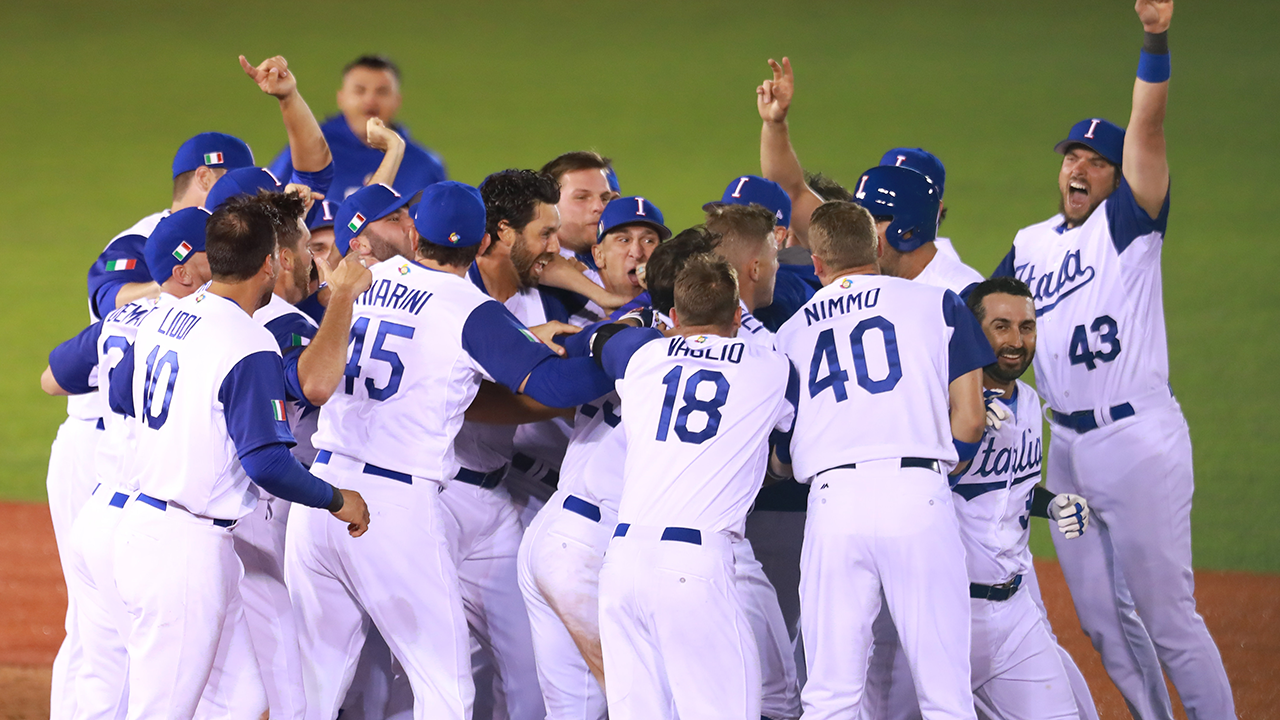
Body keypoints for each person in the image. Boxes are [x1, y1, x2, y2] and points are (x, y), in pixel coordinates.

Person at [284, 180, 615, 720]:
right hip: (391, 510)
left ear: (416, 235)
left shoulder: (372, 277)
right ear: (484, 240)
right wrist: (616, 352)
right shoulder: (473, 309)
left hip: (320, 496)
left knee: (312, 688)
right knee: (445, 694)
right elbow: (550, 387)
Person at [992, 3, 1235, 718]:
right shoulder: (1031, 244)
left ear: (1117, 175)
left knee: (1168, 620)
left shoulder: (1130, 224)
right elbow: (979, 316)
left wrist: (1154, 38)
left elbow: (1150, 127)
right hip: (1064, 460)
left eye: (1098, 160)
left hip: (1139, 449)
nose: (1080, 166)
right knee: (1102, 622)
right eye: (1073, 155)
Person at [106, 193, 371, 718]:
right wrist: (338, 499)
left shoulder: (165, 316)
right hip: (183, 546)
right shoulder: (248, 342)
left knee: (240, 697)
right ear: (270, 263)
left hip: (138, 528)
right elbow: (267, 464)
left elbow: (119, 393)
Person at [773, 201, 991, 720]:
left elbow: (782, 452)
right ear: (875, 247)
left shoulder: (792, 332)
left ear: (819, 265)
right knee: (945, 691)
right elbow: (971, 416)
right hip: (917, 496)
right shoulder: (939, 304)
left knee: (830, 694)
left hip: (834, 506)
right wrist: (946, 466)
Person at [516, 228, 716, 720]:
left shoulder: (620, 326)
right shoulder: (681, 352)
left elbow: (592, 342)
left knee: (576, 711)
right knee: (647, 703)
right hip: (591, 545)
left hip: (556, 533)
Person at [594, 253, 799, 720]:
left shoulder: (642, 355)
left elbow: (606, 342)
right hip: (694, 566)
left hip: (622, 563)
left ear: (673, 317)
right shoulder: (770, 367)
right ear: (735, 316)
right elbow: (789, 453)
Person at [41, 207, 214, 720]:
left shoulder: (125, 318)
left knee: (100, 659)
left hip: (100, 508)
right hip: (152, 521)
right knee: (164, 674)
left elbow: (51, 379)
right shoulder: (208, 329)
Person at [951, 277, 1098, 720]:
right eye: (1001, 327)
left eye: (1027, 327)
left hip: (1014, 615)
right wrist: (960, 431)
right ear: (974, 333)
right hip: (944, 613)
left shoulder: (1031, 403)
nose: (1017, 341)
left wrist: (1051, 503)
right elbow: (914, 492)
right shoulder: (941, 402)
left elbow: (1011, 489)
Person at [268, 54, 447, 199]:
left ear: (397, 101)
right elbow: (268, 207)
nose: (370, 100)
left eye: (382, 92)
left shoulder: (423, 165)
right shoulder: (310, 150)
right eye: (360, 90)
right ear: (341, 98)